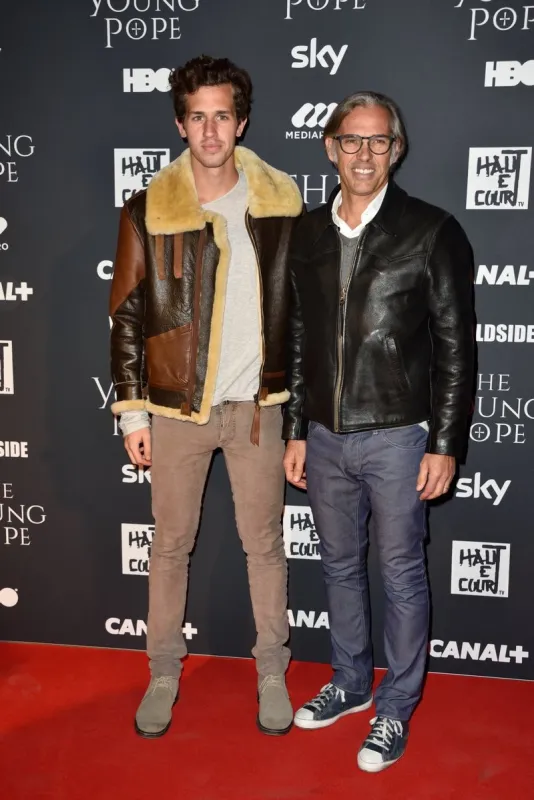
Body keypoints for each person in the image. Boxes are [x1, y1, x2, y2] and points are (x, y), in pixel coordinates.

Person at [109, 55, 303, 738]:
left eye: (223, 115)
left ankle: (273, 669)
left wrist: (296, 413)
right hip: (174, 411)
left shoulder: (281, 203)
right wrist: (133, 412)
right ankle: (164, 670)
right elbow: (128, 316)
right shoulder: (148, 209)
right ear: (180, 123)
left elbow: (300, 315)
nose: (212, 130)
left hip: (258, 410)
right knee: (169, 546)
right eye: (198, 116)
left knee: (265, 546)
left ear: (241, 120)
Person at [283, 91, 474, 772]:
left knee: (398, 575)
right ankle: (350, 683)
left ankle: (394, 711)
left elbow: (456, 346)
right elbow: (299, 335)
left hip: (399, 434)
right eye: (351, 139)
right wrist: (296, 427)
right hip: (325, 435)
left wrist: (445, 443)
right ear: (330, 147)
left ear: (397, 149)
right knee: (337, 567)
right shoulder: (304, 233)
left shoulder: (432, 230)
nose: (364, 153)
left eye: (378, 140)